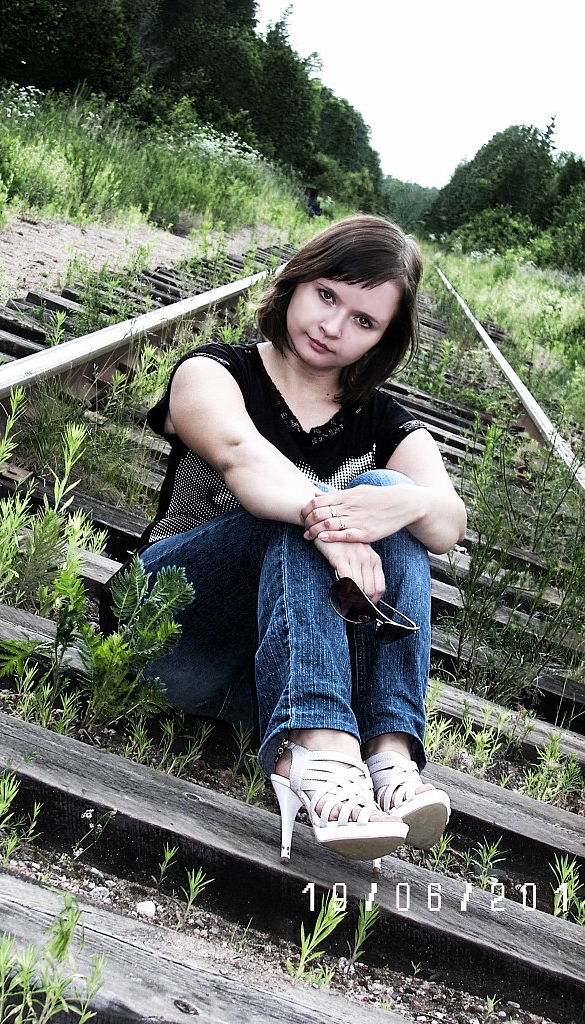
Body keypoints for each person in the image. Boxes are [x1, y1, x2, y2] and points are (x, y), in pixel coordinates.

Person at [125, 215, 467, 864]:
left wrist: (406, 502)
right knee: (297, 514)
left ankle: (388, 755)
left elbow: (448, 525)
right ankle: (322, 746)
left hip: (266, 683)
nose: (333, 326)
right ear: (297, 282)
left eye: (363, 320)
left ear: (382, 339)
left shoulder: (382, 420)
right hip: (171, 630)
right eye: (326, 295)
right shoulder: (213, 371)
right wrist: (330, 524)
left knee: (388, 492)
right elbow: (239, 455)